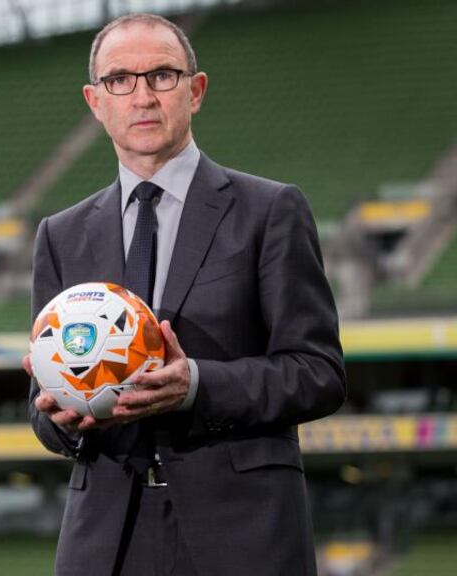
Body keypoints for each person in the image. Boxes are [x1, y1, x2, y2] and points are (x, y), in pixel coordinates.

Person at [25, 13, 346, 576]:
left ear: (195, 91)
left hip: (243, 535)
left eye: (163, 76)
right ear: (95, 101)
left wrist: (195, 384)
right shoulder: (61, 234)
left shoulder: (269, 211)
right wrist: (58, 417)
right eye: (120, 80)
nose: (142, 96)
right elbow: (43, 404)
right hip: (106, 540)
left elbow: (318, 373)